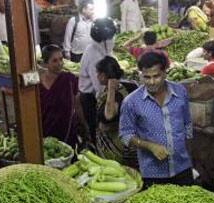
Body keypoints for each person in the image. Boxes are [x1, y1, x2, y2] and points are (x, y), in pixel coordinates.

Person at [120, 52, 195, 187]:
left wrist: (189, 159)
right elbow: (125, 135)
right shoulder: (131, 102)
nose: (152, 82)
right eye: (146, 77)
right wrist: (149, 146)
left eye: (156, 76)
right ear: (140, 74)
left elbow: (187, 126)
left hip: (182, 168)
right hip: (153, 173)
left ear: (165, 73)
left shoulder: (180, 92)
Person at [95, 56, 139, 167]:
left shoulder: (117, 93)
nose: (96, 76)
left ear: (104, 75)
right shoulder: (113, 89)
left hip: (116, 148)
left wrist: (111, 90)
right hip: (109, 144)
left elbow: (109, 116)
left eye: (98, 73)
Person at [79, 18, 116, 146]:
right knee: (96, 129)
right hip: (90, 99)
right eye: (111, 37)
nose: (113, 40)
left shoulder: (98, 50)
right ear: (105, 39)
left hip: (93, 96)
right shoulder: (95, 56)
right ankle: (97, 150)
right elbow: (99, 88)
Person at [39, 45, 80, 147]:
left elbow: (76, 104)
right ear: (45, 63)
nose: (60, 63)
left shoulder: (69, 79)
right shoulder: (37, 84)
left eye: (61, 59)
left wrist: (83, 126)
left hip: (66, 130)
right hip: (45, 130)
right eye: (54, 61)